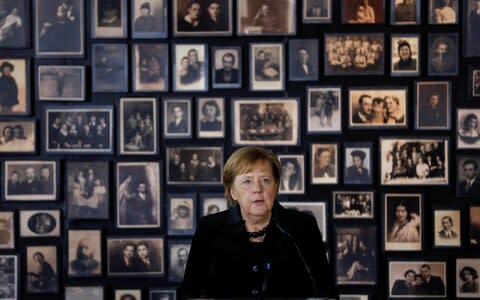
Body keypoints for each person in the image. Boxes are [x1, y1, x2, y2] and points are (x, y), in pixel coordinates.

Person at [181, 147, 337, 298]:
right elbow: (189, 293)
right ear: (233, 192)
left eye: (265, 180)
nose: (257, 188)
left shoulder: (303, 227)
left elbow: (327, 292)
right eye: (247, 181)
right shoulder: (209, 229)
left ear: (276, 187)